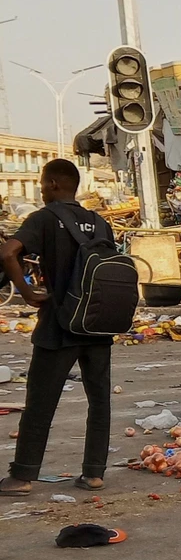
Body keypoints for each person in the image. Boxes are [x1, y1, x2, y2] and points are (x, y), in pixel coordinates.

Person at [0, 159, 115, 496]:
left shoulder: (44, 218)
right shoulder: (100, 222)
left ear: (52, 184)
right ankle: (94, 473)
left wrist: (25, 291)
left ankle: (22, 476)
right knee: (99, 401)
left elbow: (8, 252)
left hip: (59, 325)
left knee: (40, 402)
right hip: (97, 324)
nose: (39, 188)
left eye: (40, 183)